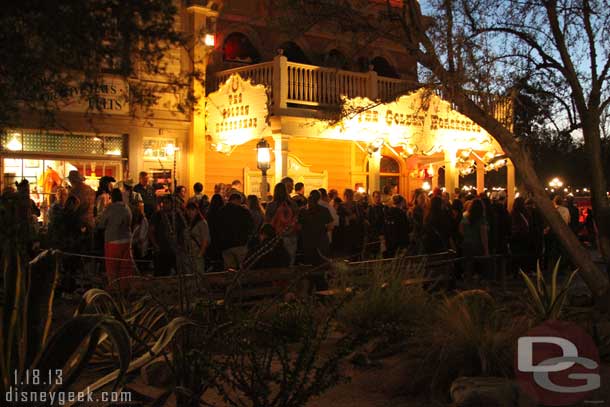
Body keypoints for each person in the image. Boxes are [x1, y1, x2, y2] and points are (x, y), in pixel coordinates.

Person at [97, 189, 134, 290]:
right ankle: (125, 289)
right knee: (125, 268)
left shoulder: (110, 208)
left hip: (112, 240)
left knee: (112, 267)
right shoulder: (127, 208)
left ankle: (114, 290)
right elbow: (130, 222)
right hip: (127, 240)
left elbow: (101, 224)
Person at [149, 195, 186, 276]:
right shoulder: (157, 215)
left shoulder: (178, 215)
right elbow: (151, 231)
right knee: (161, 274)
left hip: (175, 250)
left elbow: (183, 231)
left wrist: (181, 245)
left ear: (172, 204)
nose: (165, 205)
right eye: (164, 203)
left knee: (178, 273)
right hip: (161, 250)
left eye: (167, 203)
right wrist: (155, 245)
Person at [265, 182, 299, 265]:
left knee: (277, 260)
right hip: (291, 235)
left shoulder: (271, 205)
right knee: (291, 258)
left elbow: (267, 221)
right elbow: (297, 219)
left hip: (276, 236)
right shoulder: (293, 204)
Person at [218, 193, 254, 269]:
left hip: (226, 245)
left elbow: (218, 228)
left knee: (230, 270)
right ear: (237, 200)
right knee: (243, 269)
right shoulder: (244, 211)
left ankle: (231, 281)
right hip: (240, 244)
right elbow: (250, 226)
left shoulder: (221, 211)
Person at [298, 190, 333, 265]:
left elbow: (299, 226)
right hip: (321, 241)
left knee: (309, 264)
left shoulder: (302, 211)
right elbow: (331, 226)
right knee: (322, 264)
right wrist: (323, 230)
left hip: (307, 241)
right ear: (319, 199)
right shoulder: (324, 210)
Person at [460, 198, 489, 279]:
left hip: (466, 244)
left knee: (468, 266)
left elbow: (461, 231)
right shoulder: (481, 220)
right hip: (477, 245)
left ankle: (468, 283)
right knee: (480, 267)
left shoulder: (465, 218)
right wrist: (486, 250)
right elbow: (484, 237)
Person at [185, 202, 210, 274]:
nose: (190, 212)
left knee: (198, 275)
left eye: (192, 210)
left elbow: (205, 239)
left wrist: (200, 254)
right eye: (188, 210)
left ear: (196, 211)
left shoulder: (202, 223)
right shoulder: (187, 223)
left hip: (197, 254)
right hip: (188, 255)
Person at [205, 194, 225, 271]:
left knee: (213, 258)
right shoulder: (223, 212)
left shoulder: (209, 213)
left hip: (212, 237)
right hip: (221, 238)